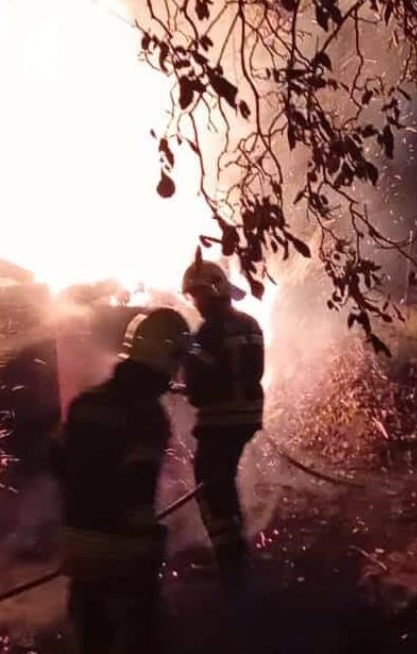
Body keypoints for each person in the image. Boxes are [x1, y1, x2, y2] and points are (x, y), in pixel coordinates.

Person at [51, 307, 190, 654]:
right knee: (139, 638)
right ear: (167, 357)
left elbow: (56, 461)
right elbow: (138, 485)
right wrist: (149, 540)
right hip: (120, 551)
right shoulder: (146, 414)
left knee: (92, 639)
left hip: (78, 545)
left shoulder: (85, 403)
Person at [180, 255, 265, 590]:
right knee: (223, 481)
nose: (196, 303)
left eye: (197, 296)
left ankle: (231, 565)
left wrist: (188, 357)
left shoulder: (205, 333)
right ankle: (235, 554)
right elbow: (252, 372)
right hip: (248, 417)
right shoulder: (250, 323)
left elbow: (199, 390)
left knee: (212, 487)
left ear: (212, 292)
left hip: (220, 420)